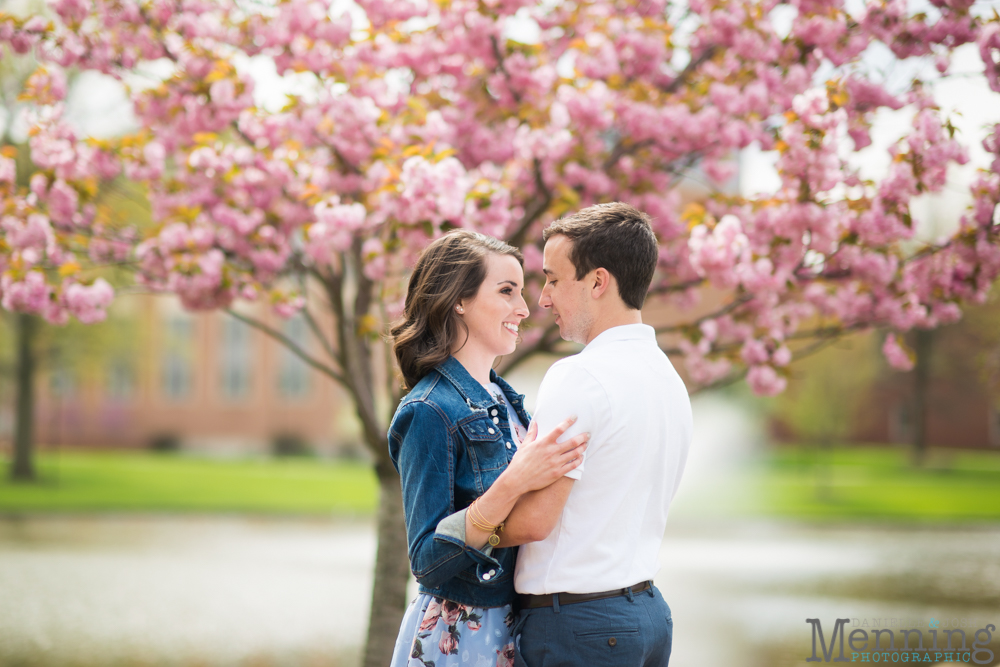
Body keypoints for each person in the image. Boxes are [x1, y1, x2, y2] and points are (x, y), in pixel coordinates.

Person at [499, 202, 693, 666]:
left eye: (553, 278)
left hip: (578, 627)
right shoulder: (668, 378)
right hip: (646, 617)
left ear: (598, 282)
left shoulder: (579, 377)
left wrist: (455, 532)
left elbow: (533, 521)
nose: (543, 298)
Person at [387, 230, 590, 667]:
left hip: (522, 626)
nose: (524, 308)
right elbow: (426, 561)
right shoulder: (428, 411)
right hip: (460, 637)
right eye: (506, 292)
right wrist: (514, 482)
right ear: (459, 300)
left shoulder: (506, 400)